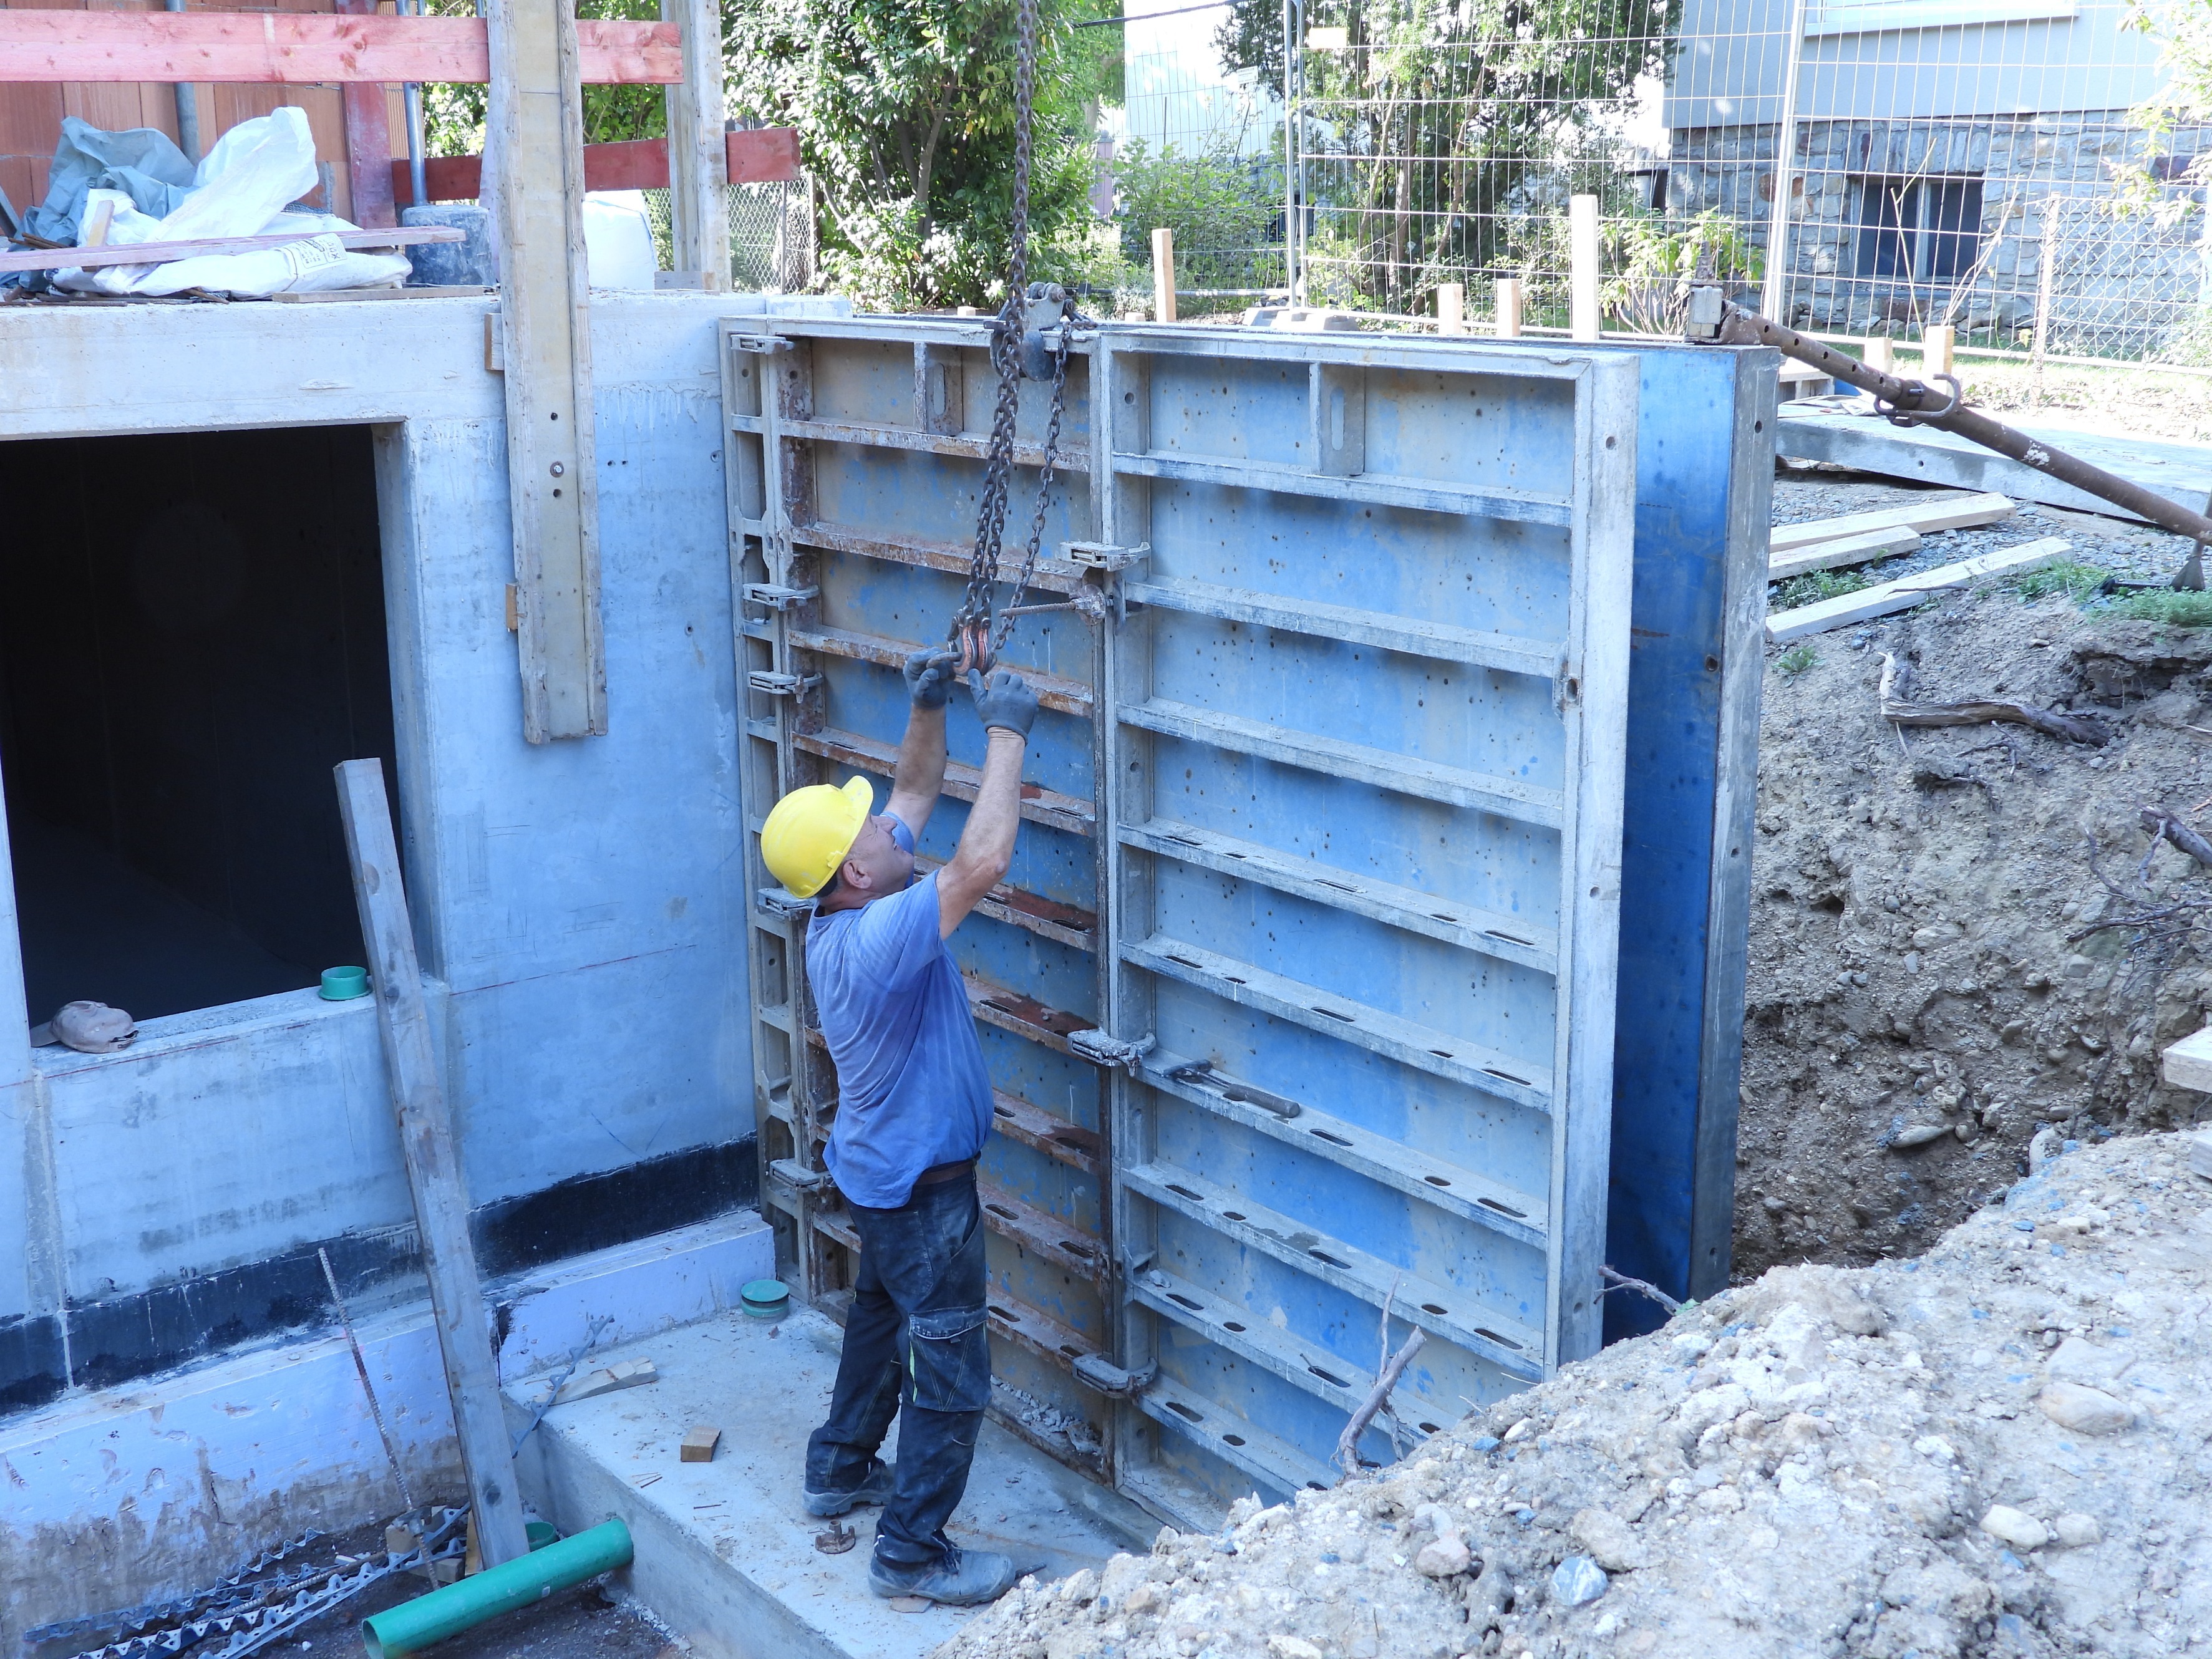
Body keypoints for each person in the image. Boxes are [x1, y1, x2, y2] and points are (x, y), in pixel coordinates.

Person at [757, 646, 1041, 1607]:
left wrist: (927, 705)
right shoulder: (880, 936)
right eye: (869, 827)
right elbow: (983, 861)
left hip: (876, 1174)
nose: (886, 820)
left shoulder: (849, 902)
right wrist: (1006, 732)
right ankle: (912, 1554)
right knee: (950, 1367)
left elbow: (915, 791)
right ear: (854, 871)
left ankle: (838, 1469)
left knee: (879, 1327)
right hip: (922, 1194)